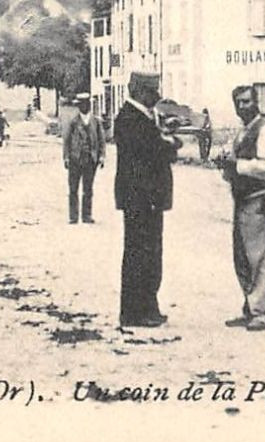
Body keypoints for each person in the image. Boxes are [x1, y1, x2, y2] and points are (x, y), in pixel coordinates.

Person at [114, 70, 178, 328]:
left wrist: (163, 133)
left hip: (146, 198)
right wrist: (171, 143)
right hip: (141, 198)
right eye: (153, 91)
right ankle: (134, 312)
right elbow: (151, 152)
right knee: (140, 254)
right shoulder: (130, 118)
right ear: (140, 90)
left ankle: (147, 306)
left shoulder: (141, 116)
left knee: (149, 253)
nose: (158, 96)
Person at [218, 85, 265, 332]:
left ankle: (263, 313)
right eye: (238, 103)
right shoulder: (243, 132)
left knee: (260, 258)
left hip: (259, 201)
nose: (242, 107)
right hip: (242, 200)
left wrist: (239, 165)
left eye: (246, 101)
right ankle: (250, 307)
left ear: (256, 103)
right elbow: (236, 165)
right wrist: (226, 166)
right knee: (242, 258)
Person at [60, 94, 104, 223]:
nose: (83, 107)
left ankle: (87, 216)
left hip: (91, 160)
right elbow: (66, 140)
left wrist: (101, 156)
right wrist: (66, 157)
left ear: (89, 105)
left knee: (88, 189)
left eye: (85, 104)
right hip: (75, 159)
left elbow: (101, 140)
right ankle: (73, 217)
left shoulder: (96, 121)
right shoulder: (73, 122)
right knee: (73, 189)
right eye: (80, 105)